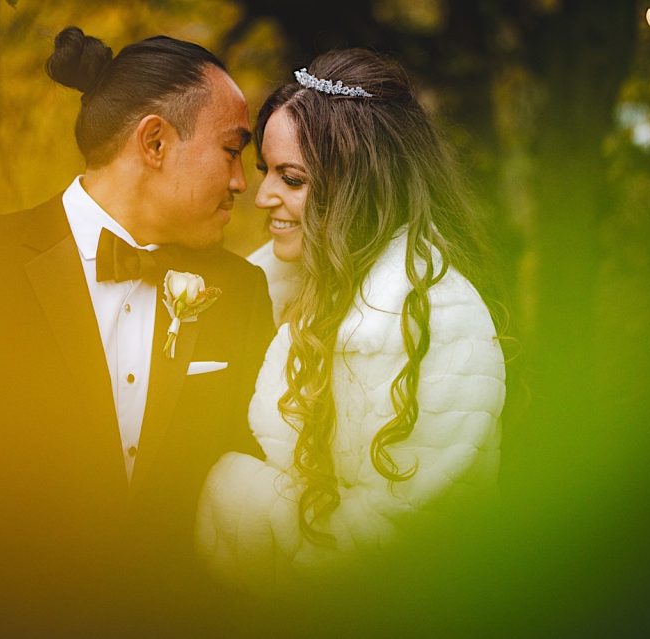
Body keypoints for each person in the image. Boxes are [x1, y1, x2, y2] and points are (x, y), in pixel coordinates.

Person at [0, 27, 275, 637]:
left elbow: (256, 489)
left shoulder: (242, 292)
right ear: (154, 141)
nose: (241, 183)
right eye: (231, 151)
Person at [195, 48, 506, 601]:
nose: (263, 197)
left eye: (292, 179)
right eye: (267, 172)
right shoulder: (278, 293)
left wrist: (228, 498)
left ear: (360, 183)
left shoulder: (429, 320)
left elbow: (388, 546)